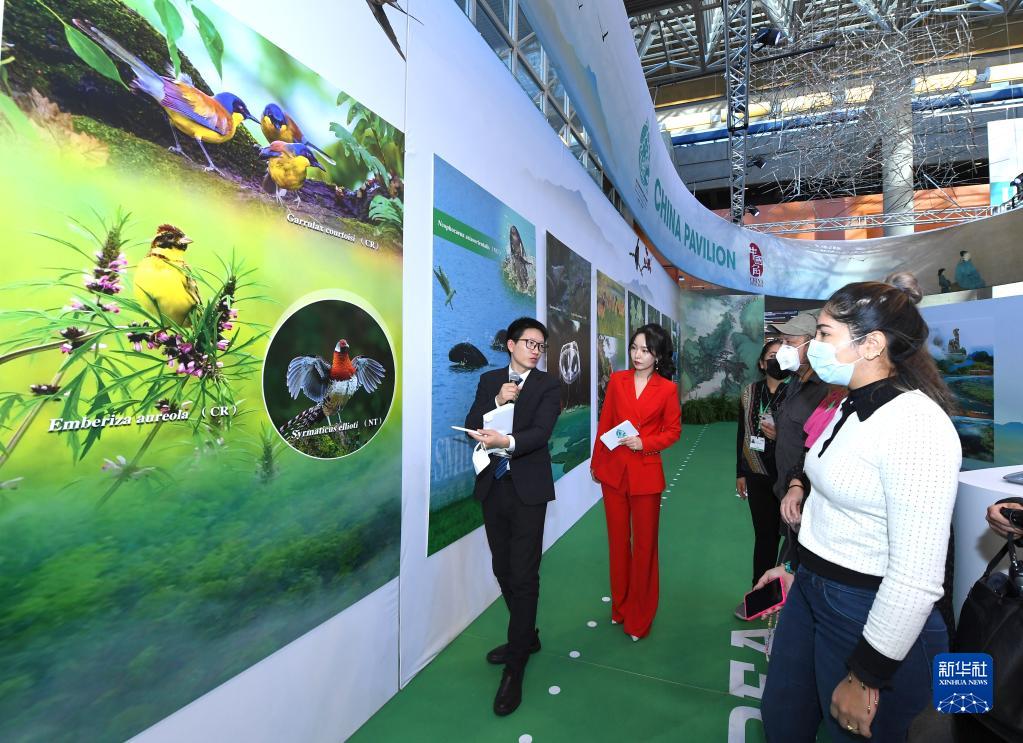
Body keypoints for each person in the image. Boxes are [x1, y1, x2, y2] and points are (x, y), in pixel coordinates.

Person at [759, 278, 962, 741]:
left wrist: (866, 674)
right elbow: (832, 506)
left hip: (865, 609)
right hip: (811, 589)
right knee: (783, 716)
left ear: (871, 345)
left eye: (824, 334)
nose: (811, 347)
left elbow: (916, 577)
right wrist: (796, 567)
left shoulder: (917, 425)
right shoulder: (849, 402)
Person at [464, 317, 561, 716]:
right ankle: (526, 636)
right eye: (529, 343)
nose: (535, 350)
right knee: (502, 568)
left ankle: (516, 664)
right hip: (494, 487)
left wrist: (508, 440)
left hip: (528, 491)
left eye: (541, 345)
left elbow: (541, 433)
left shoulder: (548, 385)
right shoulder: (490, 381)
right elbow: (471, 426)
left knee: (524, 574)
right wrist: (496, 402)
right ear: (510, 344)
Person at [590, 323, 681, 641]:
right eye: (634, 348)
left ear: (658, 355)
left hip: (646, 475)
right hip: (614, 473)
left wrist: (645, 443)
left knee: (644, 547)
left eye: (645, 350)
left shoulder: (667, 390)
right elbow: (606, 422)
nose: (637, 355)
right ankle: (620, 608)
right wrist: (597, 461)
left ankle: (640, 617)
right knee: (618, 544)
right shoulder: (618, 381)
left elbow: (673, 431)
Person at [734, 339, 791, 617]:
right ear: (761, 362)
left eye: (782, 356)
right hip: (756, 473)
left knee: (791, 542)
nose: (776, 361)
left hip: (789, 478)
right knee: (764, 538)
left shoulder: (796, 392)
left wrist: (780, 436)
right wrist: (740, 471)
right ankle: (759, 598)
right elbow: (742, 434)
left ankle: (789, 598)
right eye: (771, 356)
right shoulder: (749, 392)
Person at [767, 312, 831, 526]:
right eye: (782, 342)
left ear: (812, 346)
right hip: (786, 490)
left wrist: (798, 485)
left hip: (807, 494)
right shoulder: (795, 380)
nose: (783, 349)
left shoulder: (826, 388)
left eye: (790, 343)